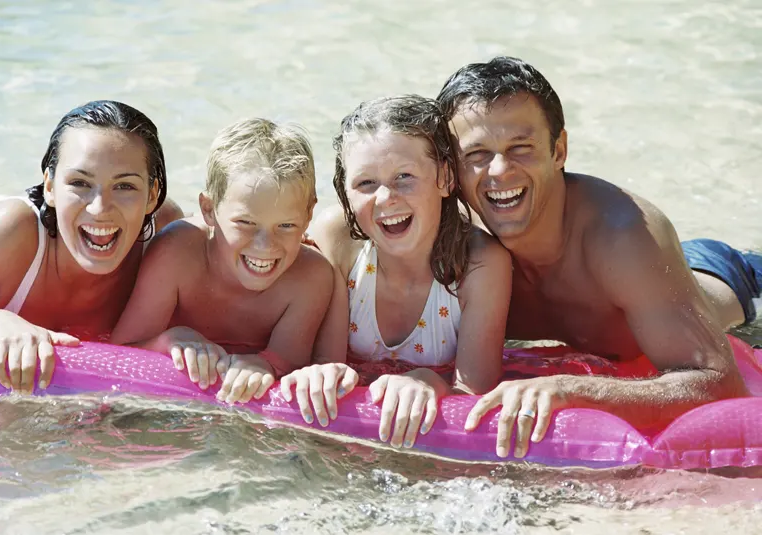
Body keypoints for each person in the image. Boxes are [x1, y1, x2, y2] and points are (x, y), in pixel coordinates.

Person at [436, 56, 754, 459]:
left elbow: (719, 384)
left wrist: (571, 389)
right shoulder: (448, 240)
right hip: (650, 282)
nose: (499, 170)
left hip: (729, 280)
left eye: (521, 147)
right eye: (477, 154)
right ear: (451, 169)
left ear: (559, 150)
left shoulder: (621, 236)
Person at [280, 95, 513, 449]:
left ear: (445, 178)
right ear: (345, 193)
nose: (385, 198)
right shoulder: (338, 240)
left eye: (404, 177)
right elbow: (328, 363)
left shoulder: (480, 264)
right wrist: (319, 375)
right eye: (366, 184)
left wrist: (429, 381)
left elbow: (474, 393)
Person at [0, 100, 183, 393]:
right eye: (80, 182)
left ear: (152, 195)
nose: (100, 208)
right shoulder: (8, 235)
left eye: (125, 186)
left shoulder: (164, 236)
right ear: (50, 187)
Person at [109, 118, 334, 404]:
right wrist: (165, 341)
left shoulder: (310, 277)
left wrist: (265, 364)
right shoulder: (177, 254)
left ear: (309, 214)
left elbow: (292, 361)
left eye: (286, 226)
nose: (265, 245)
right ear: (209, 209)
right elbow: (119, 351)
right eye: (245, 222)